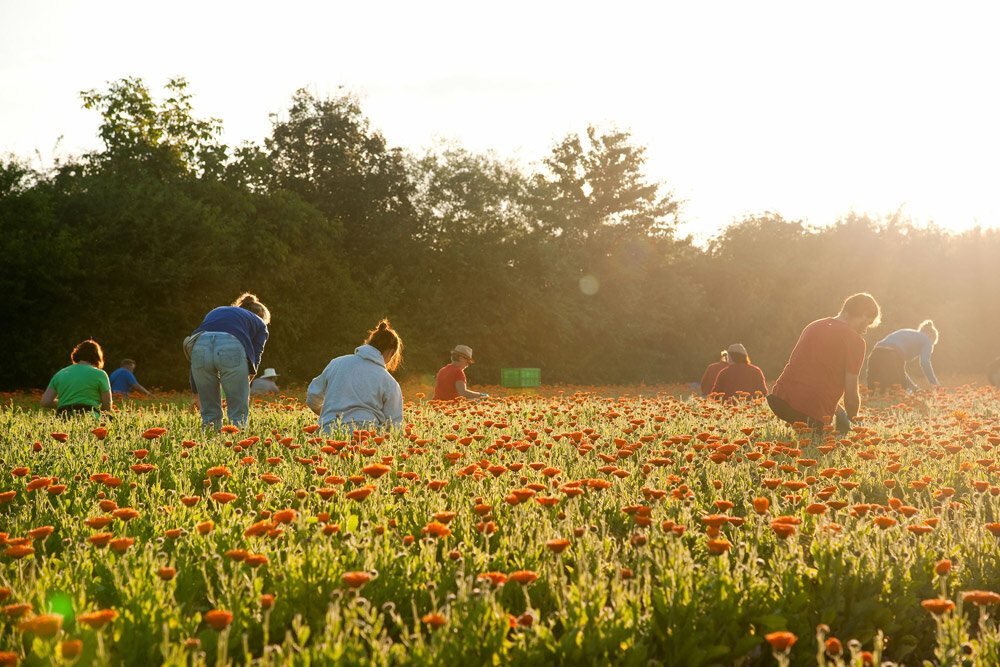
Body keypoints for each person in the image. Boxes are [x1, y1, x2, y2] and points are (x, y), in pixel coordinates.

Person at [767, 293, 881, 434]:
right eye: (867, 323)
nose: (864, 330)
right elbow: (851, 394)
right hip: (810, 412)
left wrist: (839, 412)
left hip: (779, 401)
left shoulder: (814, 325)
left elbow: (810, 377)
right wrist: (853, 420)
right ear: (863, 314)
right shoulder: (855, 341)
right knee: (820, 449)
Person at [187, 293, 270, 429]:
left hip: (199, 344)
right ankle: (237, 444)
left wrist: (196, 394)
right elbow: (256, 355)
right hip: (231, 346)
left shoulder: (217, 311)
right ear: (261, 316)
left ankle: (210, 440)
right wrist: (245, 381)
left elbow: (195, 357)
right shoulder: (259, 323)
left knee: (209, 414)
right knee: (238, 414)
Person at [306, 319, 404, 433]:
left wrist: (333, 419)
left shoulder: (337, 363)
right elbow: (394, 425)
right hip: (365, 438)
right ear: (390, 352)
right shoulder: (389, 381)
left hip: (328, 434)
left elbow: (312, 398)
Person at [41, 339, 112, 417]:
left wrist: (67, 403)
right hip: (90, 416)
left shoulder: (60, 374)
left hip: (63, 417)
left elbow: (45, 402)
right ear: (97, 357)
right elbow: (107, 406)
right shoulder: (100, 374)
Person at [867, 320, 940, 392]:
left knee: (875, 389)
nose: (931, 346)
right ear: (931, 336)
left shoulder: (910, 335)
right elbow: (924, 362)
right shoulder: (927, 339)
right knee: (897, 389)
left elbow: (900, 371)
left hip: (875, 352)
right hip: (891, 354)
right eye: (932, 344)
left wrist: (914, 388)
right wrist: (934, 383)